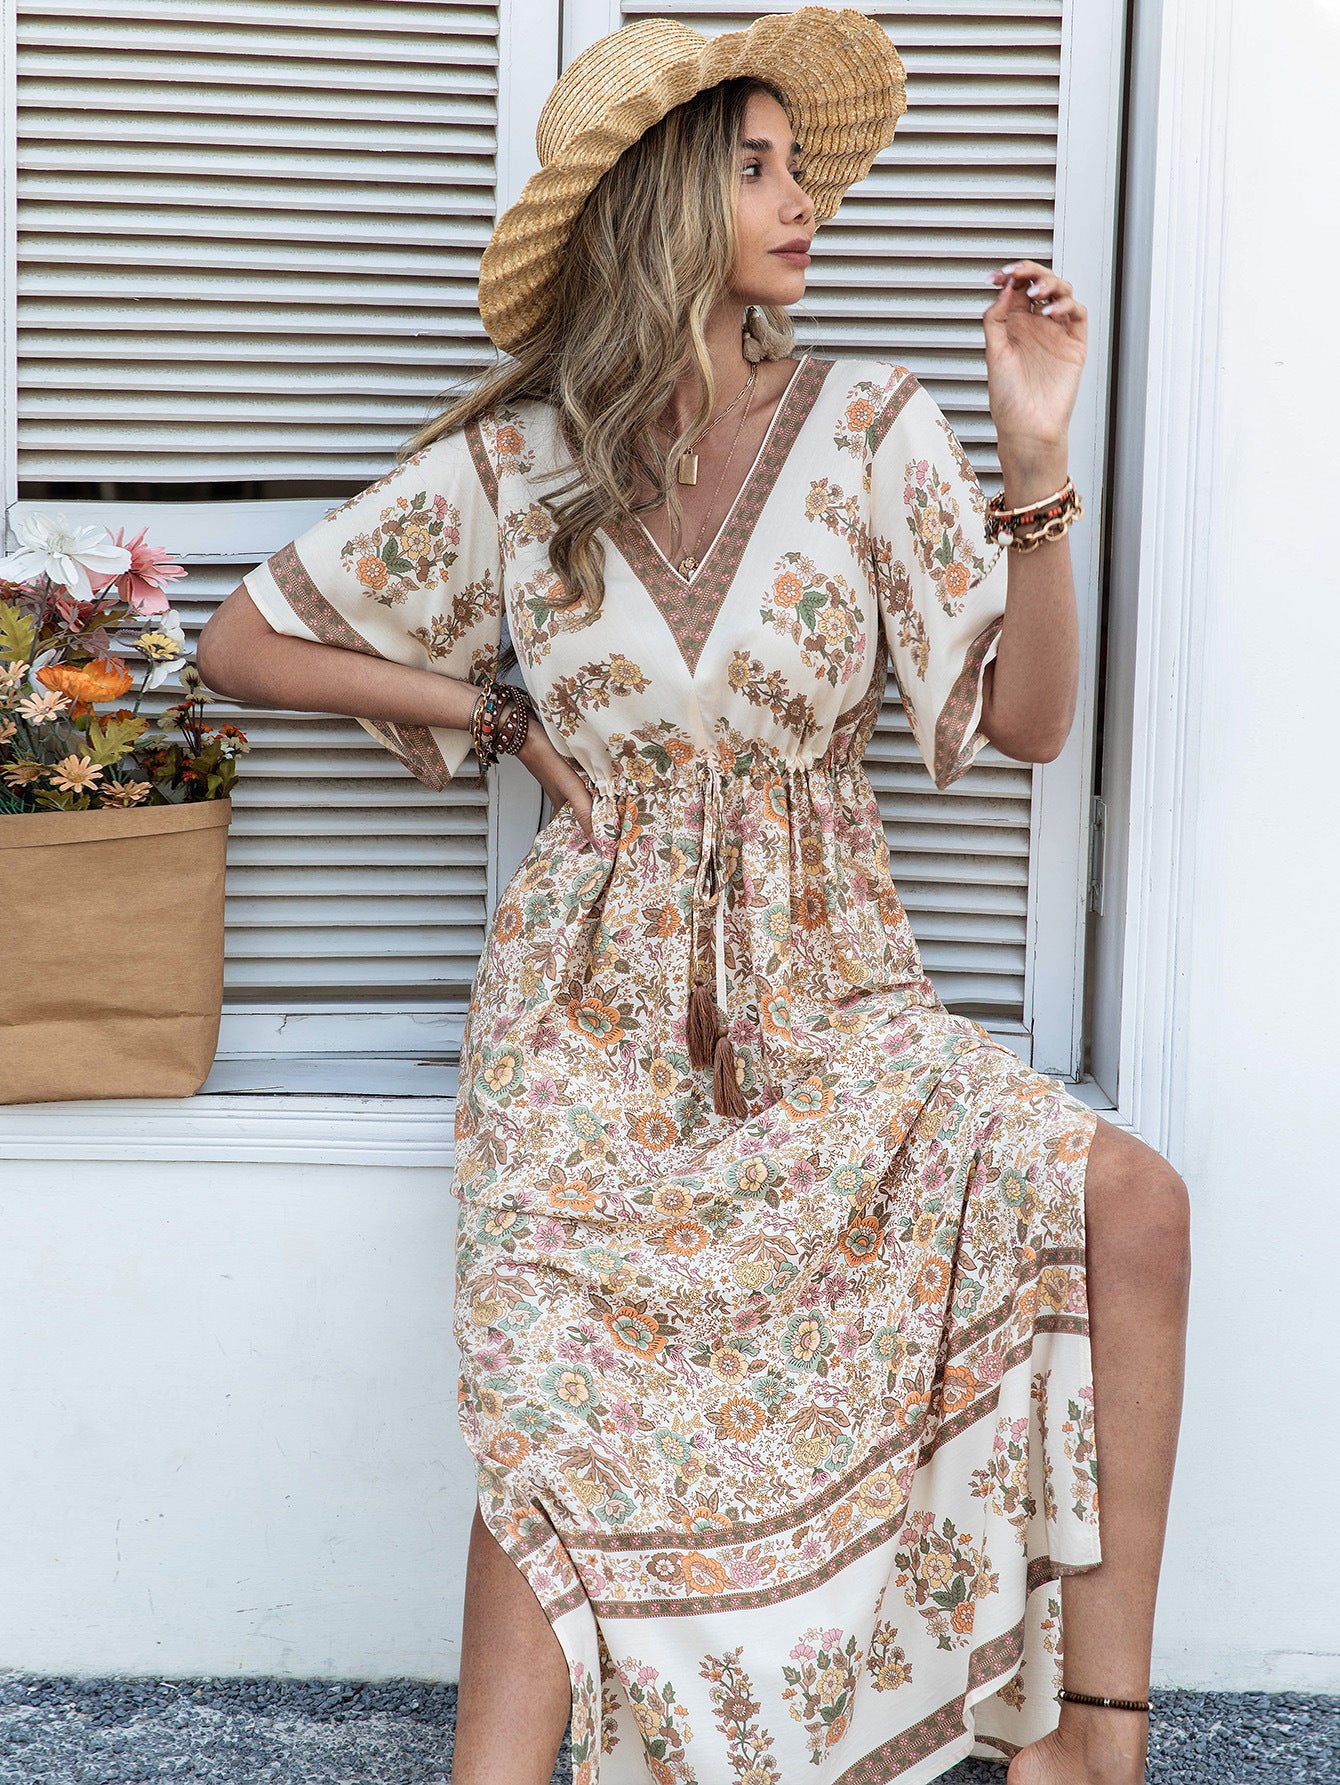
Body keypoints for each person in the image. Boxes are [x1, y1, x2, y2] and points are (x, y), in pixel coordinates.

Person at [197, 11, 1191, 1784]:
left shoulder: (875, 423)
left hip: (826, 1005)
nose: (803, 198)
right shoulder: (521, 470)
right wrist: (491, 710)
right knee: (551, 1389)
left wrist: (1035, 460)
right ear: (663, 197)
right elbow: (241, 641)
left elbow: (1030, 720)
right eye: (756, 165)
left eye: (800, 163)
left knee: (1133, 1202)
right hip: (586, 1023)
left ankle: (1094, 1746)